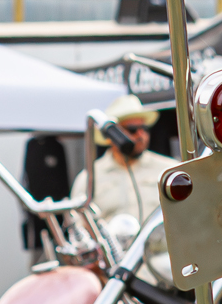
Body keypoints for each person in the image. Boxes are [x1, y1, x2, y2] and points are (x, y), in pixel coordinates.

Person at [69, 93, 175, 228]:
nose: (140, 135)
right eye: (132, 129)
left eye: (144, 129)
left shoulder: (170, 169)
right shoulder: (88, 178)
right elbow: (78, 224)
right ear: (112, 134)